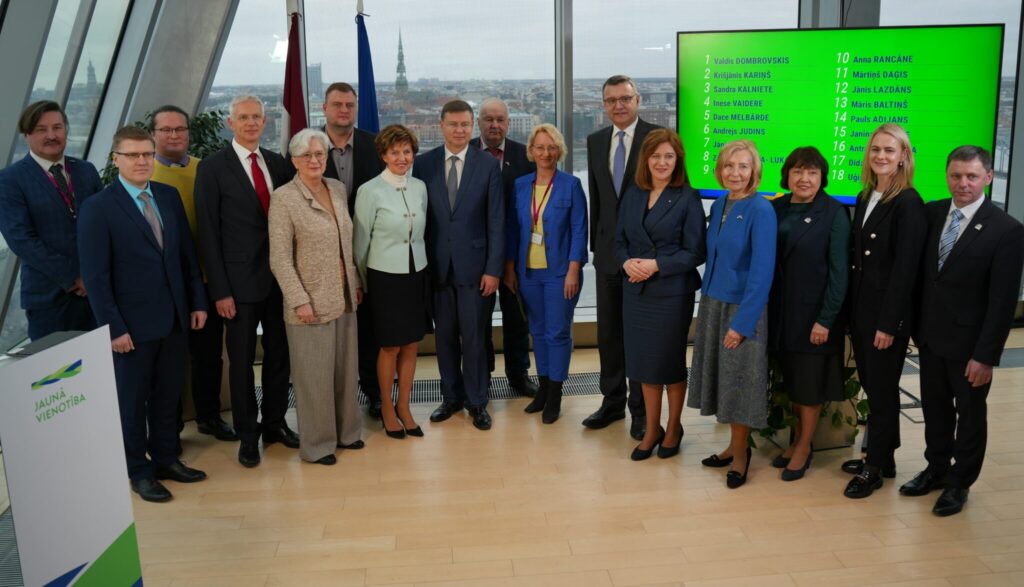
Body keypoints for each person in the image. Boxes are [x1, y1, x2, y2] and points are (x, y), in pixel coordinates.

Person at [78, 125, 208, 503]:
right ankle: (138, 471)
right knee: (132, 403)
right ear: (115, 159)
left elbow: (186, 256)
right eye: (132, 155)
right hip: (130, 328)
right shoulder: (98, 208)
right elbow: (96, 278)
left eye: (147, 154)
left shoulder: (167, 195)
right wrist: (113, 328)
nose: (141, 161)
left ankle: (166, 459)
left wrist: (197, 302)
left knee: (168, 396)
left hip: (174, 319)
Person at [900, 146, 1024, 516]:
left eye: (971, 176)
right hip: (930, 338)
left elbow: (1002, 303)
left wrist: (985, 356)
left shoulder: (1007, 230)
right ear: (947, 176)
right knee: (935, 410)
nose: (963, 183)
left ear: (988, 177)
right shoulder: (933, 213)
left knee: (969, 417)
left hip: (971, 347)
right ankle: (936, 469)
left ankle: (960, 482)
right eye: (956, 175)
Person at [195, 95, 298, 468]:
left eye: (256, 117)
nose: (251, 122)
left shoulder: (278, 163)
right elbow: (208, 233)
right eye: (244, 117)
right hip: (237, 286)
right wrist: (220, 290)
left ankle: (274, 424)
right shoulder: (212, 168)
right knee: (240, 364)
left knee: (279, 356)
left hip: (280, 280)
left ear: (265, 122)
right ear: (231, 123)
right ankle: (247, 434)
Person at [268, 129, 363, 465]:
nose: (314, 160)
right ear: (294, 160)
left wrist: (355, 282)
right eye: (306, 155)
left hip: (344, 296)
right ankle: (319, 445)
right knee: (314, 378)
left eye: (319, 154)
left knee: (345, 373)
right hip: (309, 302)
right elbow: (279, 258)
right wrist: (299, 300)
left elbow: (346, 241)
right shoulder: (284, 198)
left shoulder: (336, 188)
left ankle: (348, 432)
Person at [843, 123, 926, 499]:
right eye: (875, 149)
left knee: (881, 392)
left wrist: (889, 323)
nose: (881, 156)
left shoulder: (908, 203)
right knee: (875, 388)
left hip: (884, 317)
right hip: (862, 311)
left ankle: (873, 468)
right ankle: (884, 458)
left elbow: (905, 271)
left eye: (890, 150)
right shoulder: (866, 195)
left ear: (904, 156)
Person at [688, 139, 776, 489]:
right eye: (728, 165)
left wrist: (742, 325)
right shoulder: (720, 203)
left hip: (742, 310)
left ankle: (741, 456)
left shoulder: (761, 209)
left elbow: (762, 273)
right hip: (713, 302)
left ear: (754, 171)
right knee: (724, 381)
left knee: (739, 383)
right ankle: (732, 446)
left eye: (743, 166)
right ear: (719, 170)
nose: (735, 172)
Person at [614, 129, 706, 460]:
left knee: (668, 364)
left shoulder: (688, 197)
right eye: (656, 156)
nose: (662, 162)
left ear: (678, 160)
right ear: (646, 159)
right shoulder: (633, 194)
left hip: (671, 294)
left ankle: (674, 427)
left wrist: (656, 265)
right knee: (643, 366)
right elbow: (619, 241)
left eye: (669, 156)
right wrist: (626, 262)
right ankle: (652, 429)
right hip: (636, 291)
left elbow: (696, 252)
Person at [413, 99, 504, 431]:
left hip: (477, 270)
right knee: (445, 338)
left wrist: (493, 270)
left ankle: (477, 402)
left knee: (476, 338)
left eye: (465, 124)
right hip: (437, 268)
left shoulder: (488, 165)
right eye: (453, 124)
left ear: (472, 126)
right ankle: (451, 397)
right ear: (441, 126)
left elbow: (496, 221)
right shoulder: (424, 164)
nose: (460, 130)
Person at [150, 104, 236, 444]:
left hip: (207, 280)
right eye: (166, 129)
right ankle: (168, 428)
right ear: (154, 134)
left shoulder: (206, 169)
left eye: (180, 129)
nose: (174, 135)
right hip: (167, 287)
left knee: (209, 356)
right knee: (168, 360)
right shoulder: (145, 174)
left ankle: (209, 416)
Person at [767, 147, 851, 481]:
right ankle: (796, 441)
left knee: (809, 387)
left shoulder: (833, 212)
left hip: (813, 318)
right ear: (787, 175)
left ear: (822, 177)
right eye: (798, 171)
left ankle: (804, 446)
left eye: (812, 172)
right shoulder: (775, 208)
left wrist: (825, 320)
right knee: (792, 382)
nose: (804, 178)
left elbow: (839, 274)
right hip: (780, 315)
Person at [585, 74, 661, 440]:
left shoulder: (657, 138)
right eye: (611, 100)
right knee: (609, 334)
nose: (618, 105)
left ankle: (641, 411)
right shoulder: (596, 141)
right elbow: (598, 200)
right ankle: (612, 402)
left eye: (625, 98)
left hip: (643, 258)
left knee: (639, 337)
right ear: (604, 105)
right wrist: (595, 248)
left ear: (638, 100)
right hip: (607, 257)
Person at [503, 124, 587, 424]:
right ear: (531, 151)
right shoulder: (521, 185)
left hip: (560, 273)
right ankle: (543, 388)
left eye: (551, 147)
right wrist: (510, 267)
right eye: (540, 147)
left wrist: (574, 269)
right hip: (528, 273)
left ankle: (555, 394)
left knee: (557, 333)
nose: (546, 153)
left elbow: (579, 230)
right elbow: (513, 229)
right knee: (537, 332)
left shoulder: (571, 185)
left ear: (559, 150)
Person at [0, 101, 102, 340]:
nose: (52, 135)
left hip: (98, 294)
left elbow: (105, 225)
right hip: (49, 300)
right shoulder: (10, 180)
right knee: (56, 364)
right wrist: (75, 276)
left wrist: (97, 275)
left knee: (104, 362)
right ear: (26, 135)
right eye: (41, 129)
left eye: (57, 127)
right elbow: (21, 240)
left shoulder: (86, 170)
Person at [354, 124, 430, 439]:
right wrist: (361, 282)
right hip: (383, 277)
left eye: (407, 151)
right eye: (395, 152)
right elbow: (360, 244)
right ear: (383, 155)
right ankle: (386, 406)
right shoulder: (369, 190)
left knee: (411, 343)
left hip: (416, 274)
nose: (402, 158)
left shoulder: (420, 187)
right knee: (389, 346)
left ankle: (405, 407)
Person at [321, 82, 386, 418]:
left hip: (369, 253)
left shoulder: (375, 146)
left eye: (350, 105)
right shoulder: (307, 147)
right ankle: (335, 400)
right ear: (325, 109)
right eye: (338, 105)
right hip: (323, 256)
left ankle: (375, 394)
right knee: (332, 332)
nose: (344, 110)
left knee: (370, 329)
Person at [471, 97, 539, 397]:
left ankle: (518, 374)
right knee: (478, 320)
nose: (494, 125)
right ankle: (481, 375)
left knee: (516, 318)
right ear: (479, 122)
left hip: (516, 253)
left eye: (500, 120)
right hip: (477, 254)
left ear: (508, 124)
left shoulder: (526, 157)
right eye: (488, 119)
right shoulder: (466, 154)